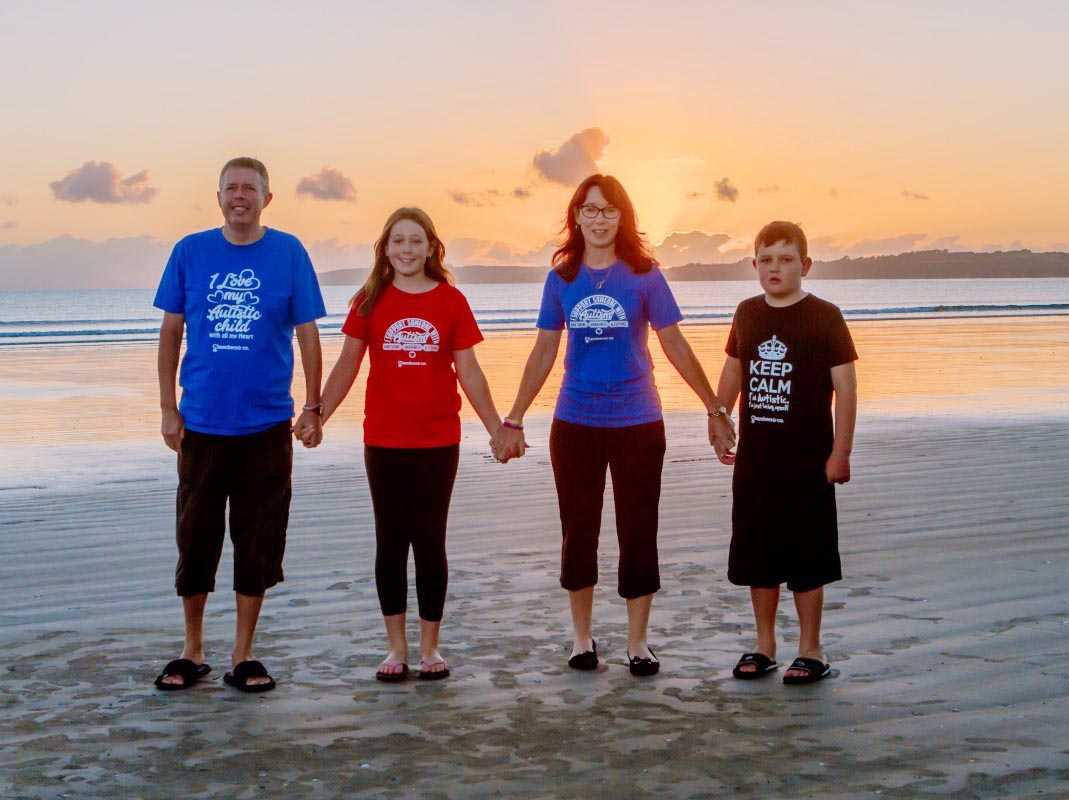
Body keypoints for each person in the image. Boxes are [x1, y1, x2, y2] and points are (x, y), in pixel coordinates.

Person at [490, 174, 735, 676]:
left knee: (638, 530)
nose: (599, 219)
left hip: (639, 422)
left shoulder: (645, 275)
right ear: (576, 216)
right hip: (576, 422)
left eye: (609, 210)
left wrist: (715, 407)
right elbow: (543, 352)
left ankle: (638, 643)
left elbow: (675, 345)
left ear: (623, 218)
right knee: (578, 531)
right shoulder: (561, 278)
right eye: (590, 209)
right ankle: (582, 638)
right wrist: (512, 418)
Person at [303, 207, 505, 682]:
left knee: (430, 541)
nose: (407, 250)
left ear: (432, 248)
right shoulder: (369, 300)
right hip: (385, 441)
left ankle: (430, 647)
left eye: (416, 241)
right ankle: (396, 649)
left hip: (438, 441)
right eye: (398, 241)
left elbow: (469, 373)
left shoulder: (451, 301)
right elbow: (347, 366)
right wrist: (317, 415)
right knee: (391, 543)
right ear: (386, 248)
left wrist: (498, 427)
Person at [153, 156, 326, 692]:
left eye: (251, 188)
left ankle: (243, 655)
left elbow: (309, 335)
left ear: (266, 199)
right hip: (201, 426)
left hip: (267, 428)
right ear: (219, 196)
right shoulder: (190, 251)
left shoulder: (289, 252)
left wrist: (313, 406)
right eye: (232, 187)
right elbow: (170, 335)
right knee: (196, 539)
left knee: (257, 542)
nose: (240, 196)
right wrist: (167, 407)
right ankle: (192, 650)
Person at [713, 220, 858, 684]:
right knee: (760, 555)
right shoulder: (747, 313)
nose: (775, 268)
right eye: (766, 260)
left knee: (807, 556)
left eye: (786, 259)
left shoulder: (825, 316)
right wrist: (719, 418)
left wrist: (841, 451)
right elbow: (734, 371)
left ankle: (811, 649)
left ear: (806, 265)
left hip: (809, 461)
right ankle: (764, 645)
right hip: (756, 462)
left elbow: (847, 390)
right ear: (755, 265)